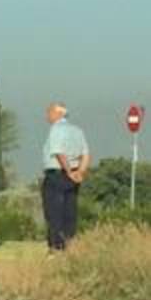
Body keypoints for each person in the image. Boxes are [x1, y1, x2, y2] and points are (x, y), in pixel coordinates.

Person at [41, 102, 90, 252]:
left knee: (54, 211)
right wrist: (79, 172)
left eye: (50, 111)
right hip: (74, 175)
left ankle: (56, 246)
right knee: (70, 211)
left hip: (57, 173)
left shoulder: (56, 129)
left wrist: (68, 171)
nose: (47, 115)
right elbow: (86, 154)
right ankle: (69, 243)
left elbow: (58, 152)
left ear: (58, 113)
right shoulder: (77, 130)